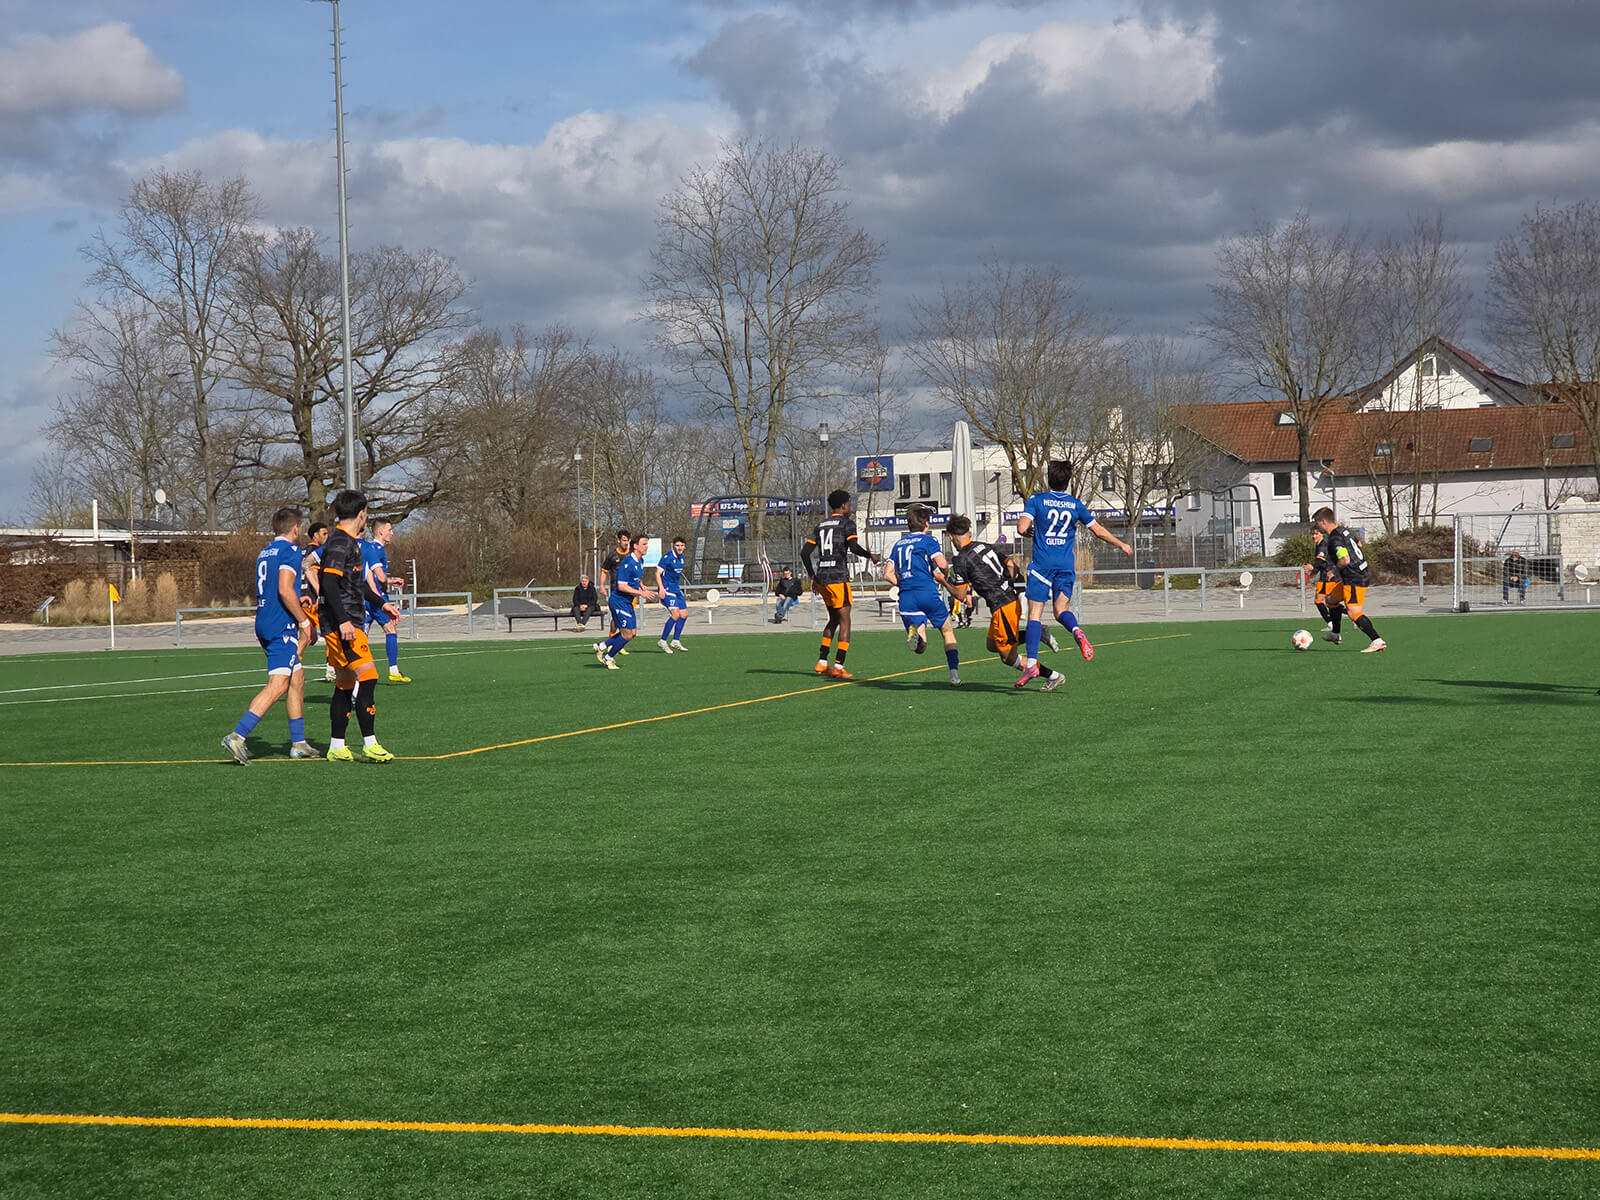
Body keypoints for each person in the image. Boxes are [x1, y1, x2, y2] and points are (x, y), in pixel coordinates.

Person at [1013, 460, 1133, 688]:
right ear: (1067, 482)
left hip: (1042, 565)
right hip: (1066, 565)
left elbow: (1021, 528)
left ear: (1049, 478)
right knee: (1061, 610)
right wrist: (1121, 544)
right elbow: (1097, 530)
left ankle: (1031, 665)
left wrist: (1032, 530)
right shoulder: (1075, 504)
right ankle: (1076, 630)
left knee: (1035, 615)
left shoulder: (1036, 501)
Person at [221, 507, 318, 764]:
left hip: (264, 620)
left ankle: (298, 743)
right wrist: (304, 621)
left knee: (297, 678)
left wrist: (299, 599)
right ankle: (238, 736)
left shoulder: (266, 551)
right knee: (279, 684)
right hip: (280, 625)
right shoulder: (291, 551)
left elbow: (279, 590)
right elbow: (285, 590)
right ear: (296, 528)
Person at [318, 490, 403, 760]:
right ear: (362, 513)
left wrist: (381, 603)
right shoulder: (341, 543)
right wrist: (343, 620)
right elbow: (329, 583)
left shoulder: (350, 542)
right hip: (344, 624)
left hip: (344, 621)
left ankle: (336, 747)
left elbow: (355, 586)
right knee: (368, 678)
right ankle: (370, 744)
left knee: (345, 684)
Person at [947, 514, 1067, 692]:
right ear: (970, 532)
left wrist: (942, 580)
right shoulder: (984, 546)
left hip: (1002, 606)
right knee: (992, 645)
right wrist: (1005, 585)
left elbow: (961, 595)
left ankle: (1053, 676)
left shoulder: (961, 559)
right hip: (1010, 600)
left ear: (951, 537)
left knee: (1008, 658)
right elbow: (1012, 565)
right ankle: (1035, 635)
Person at [801, 489, 881, 679]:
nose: (850, 507)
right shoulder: (847, 523)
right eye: (849, 503)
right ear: (844, 505)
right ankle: (838, 665)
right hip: (838, 578)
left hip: (822, 578)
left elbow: (805, 553)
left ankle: (822, 662)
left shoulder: (820, 525)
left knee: (834, 619)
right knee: (845, 621)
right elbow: (853, 547)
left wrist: (812, 576)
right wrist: (871, 555)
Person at [883, 504, 963, 686]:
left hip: (907, 598)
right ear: (926, 523)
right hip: (927, 592)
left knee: (921, 647)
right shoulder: (929, 541)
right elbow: (942, 565)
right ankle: (954, 675)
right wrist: (945, 574)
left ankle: (917, 636)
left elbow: (887, 574)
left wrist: (904, 582)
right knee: (947, 631)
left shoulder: (898, 544)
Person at [1313, 506, 1386, 652]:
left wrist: (1334, 570)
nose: (1317, 526)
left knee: (1353, 612)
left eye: (1317, 522)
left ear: (1323, 522)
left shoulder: (1334, 538)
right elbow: (1358, 545)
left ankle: (1377, 640)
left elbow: (1345, 559)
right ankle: (1335, 634)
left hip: (1354, 577)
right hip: (1356, 573)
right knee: (1331, 600)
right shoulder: (1344, 531)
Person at [596, 533, 656, 668]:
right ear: (635, 546)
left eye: (647, 544)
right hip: (618, 601)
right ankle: (608, 657)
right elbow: (621, 586)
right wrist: (641, 593)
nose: (647, 547)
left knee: (633, 633)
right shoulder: (627, 563)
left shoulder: (640, 561)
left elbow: (636, 577)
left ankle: (602, 646)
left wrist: (641, 585)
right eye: (644, 544)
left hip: (627, 602)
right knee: (627, 634)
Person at [361, 518, 410, 684]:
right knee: (391, 630)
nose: (392, 532)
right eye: (390, 529)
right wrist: (382, 595)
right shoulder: (376, 549)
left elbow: (372, 575)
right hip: (376, 598)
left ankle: (345, 669)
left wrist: (390, 581)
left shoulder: (369, 548)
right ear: (380, 531)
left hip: (367, 597)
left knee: (361, 635)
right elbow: (377, 576)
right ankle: (393, 670)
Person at [299, 521, 335, 681]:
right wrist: (321, 593)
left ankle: (292, 662)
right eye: (324, 534)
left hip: (301, 598)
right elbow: (312, 571)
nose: (326, 537)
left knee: (309, 638)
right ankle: (331, 669)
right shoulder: (316, 552)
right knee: (331, 633)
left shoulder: (302, 552)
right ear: (315, 535)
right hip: (313, 600)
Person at [597, 529, 633, 654]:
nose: (626, 543)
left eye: (628, 540)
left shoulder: (632, 555)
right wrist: (602, 585)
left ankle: (618, 642)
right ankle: (613, 643)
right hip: (617, 593)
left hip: (630, 593)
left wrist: (641, 585)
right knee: (616, 619)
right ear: (618, 540)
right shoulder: (612, 556)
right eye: (624, 540)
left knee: (628, 621)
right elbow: (604, 571)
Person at [656, 535, 691, 652]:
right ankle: (662, 640)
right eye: (677, 545)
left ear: (684, 547)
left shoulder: (682, 557)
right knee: (675, 614)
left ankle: (675, 640)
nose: (679, 547)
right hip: (667, 589)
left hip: (676, 589)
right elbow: (657, 573)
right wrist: (661, 588)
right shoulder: (667, 557)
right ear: (673, 546)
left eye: (681, 545)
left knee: (684, 614)